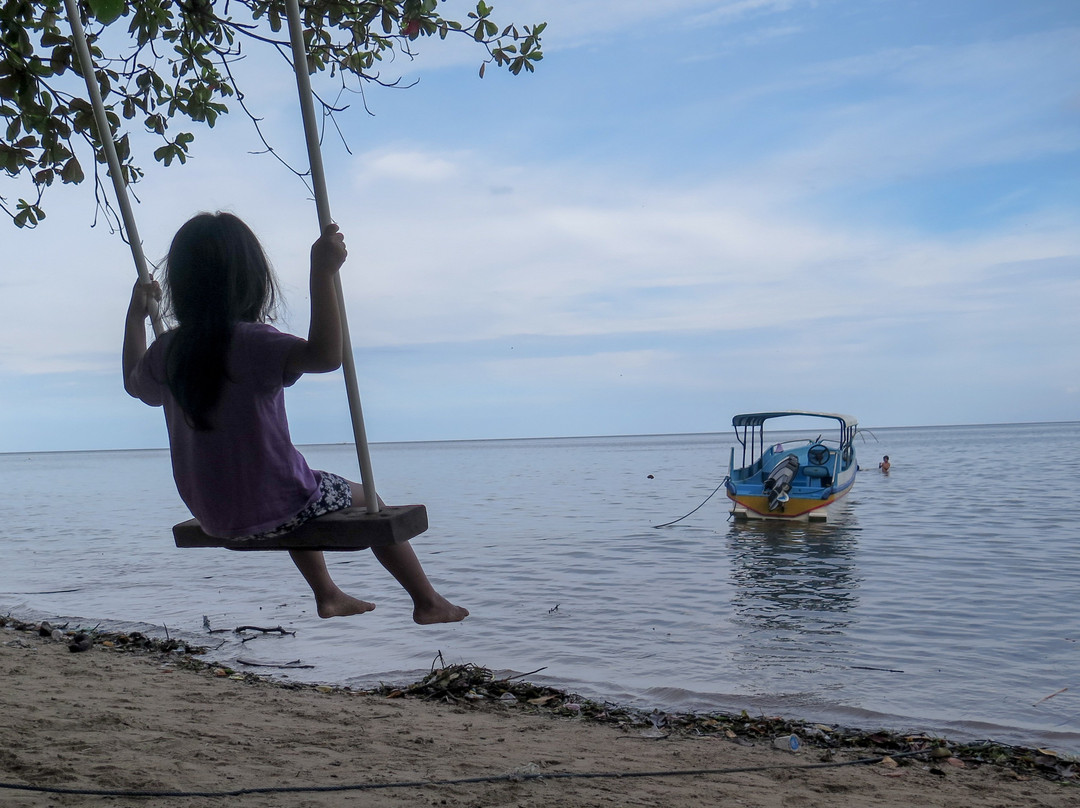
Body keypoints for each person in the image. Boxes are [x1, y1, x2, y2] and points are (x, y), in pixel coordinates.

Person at [123, 211, 468, 624]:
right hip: (278, 503)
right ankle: (428, 601)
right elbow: (325, 356)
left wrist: (134, 317)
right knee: (363, 500)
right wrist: (321, 272)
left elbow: (133, 383)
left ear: (182, 285)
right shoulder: (254, 342)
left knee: (295, 486)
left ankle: (328, 593)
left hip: (214, 513)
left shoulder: (169, 351)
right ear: (253, 279)